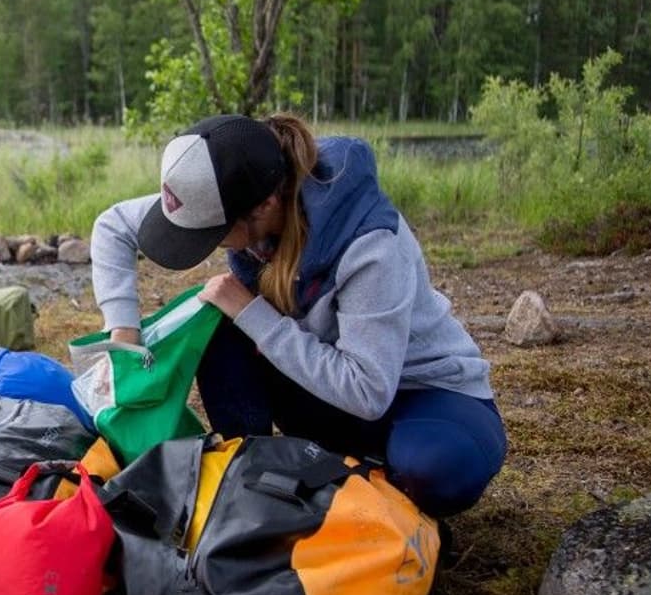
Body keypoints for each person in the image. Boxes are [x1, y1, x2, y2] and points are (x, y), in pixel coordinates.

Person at [90, 113, 506, 517]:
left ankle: (381, 497)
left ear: (265, 206)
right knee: (219, 324)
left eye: (213, 235)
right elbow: (113, 225)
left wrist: (252, 312)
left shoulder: (369, 244)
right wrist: (124, 334)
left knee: (435, 470)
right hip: (330, 395)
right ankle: (252, 479)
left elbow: (368, 390)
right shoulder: (235, 193)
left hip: (425, 392)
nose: (206, 245)